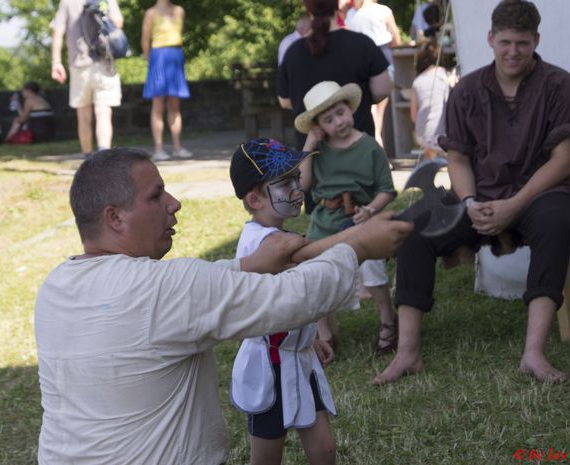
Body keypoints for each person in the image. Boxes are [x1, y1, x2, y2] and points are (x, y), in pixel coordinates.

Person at [34, 148, 412, 464]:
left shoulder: (56, 286)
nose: (174, 203)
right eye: (156, 195)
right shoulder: (162, 290)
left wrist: (247, 265)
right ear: (114, 217)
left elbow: (187, 290)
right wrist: (359, 246)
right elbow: (290, 299)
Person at [374, 0, 570, 386]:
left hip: (538, 194)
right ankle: (407, 352)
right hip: (479, 194)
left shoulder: (559, 85)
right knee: (415, 228)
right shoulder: (466, 89)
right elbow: (458, 158)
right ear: (491, 39)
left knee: (557, 222)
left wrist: (514, 206)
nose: (513, 51)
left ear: (536, 41)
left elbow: (563, 160)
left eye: (522, 43)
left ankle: (533, 352)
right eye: (506, 42)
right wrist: (469, 203)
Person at [228, 138, 340, 465]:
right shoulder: (269, 243)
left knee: (325, 449)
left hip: (300, 358)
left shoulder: (278, 233)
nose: (297, 188)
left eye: (296, 178)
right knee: (267, 457)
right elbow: (312, 257)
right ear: (254, 199)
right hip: (269, 366)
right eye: (285, 182)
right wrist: (363, 240)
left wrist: (310, 338)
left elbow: (298, 297)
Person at [297, 81, 398, 355]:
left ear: (350, 109)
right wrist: (310, 143)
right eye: (328, 120)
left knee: (373, 269)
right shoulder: (318, 150)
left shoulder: (370, 148)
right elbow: (303, 184)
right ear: (319, 126)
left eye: (341, 112)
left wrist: (371, 210)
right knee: (314, 273)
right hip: (324, 223)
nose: (338, 121)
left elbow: (386, 190)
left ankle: (388, 319)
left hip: (360, 220)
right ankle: (326, 332)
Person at [277, 0, 393, 214]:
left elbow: (285, 101)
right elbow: (383, 88)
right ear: (338, 7)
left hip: (314, 157)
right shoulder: (362, 44)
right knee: (366, 227)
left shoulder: (293, 52)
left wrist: (316, 110)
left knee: (323, 235)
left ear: (308, 9)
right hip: (356, 148)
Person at [50, 0, 124, 154]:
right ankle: (103, 154)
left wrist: (56, 62)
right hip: (105, 62)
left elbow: (57, 32)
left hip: (79, 64)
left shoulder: (67, 2)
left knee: (84, 115)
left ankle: (87, 157)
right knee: (103, 112)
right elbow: (118, 23)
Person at [345, 0, 402, 150]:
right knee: (378, 111)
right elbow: (396, 38)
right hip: (382, 58)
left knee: (368, 107)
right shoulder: (383, 10)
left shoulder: (351, 14)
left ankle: (376, 144)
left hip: (357, 62)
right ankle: (378, 145)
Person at [141, 0, 192, 162]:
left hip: (176, 56)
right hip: (158, 57)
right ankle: (159, 148)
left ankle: (177, 147)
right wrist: (151, 61)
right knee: (158, 105)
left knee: (175, 106)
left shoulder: (179, 11)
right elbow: (145, 41)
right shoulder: (150, 13)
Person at [409, 39, 451, 160]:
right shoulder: (447, 76)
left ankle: (431, 156)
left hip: (423, 136)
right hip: (446, 135)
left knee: (429, 142)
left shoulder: (417, 82)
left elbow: (414, 117)